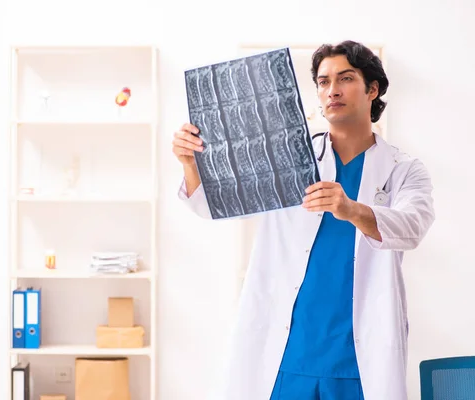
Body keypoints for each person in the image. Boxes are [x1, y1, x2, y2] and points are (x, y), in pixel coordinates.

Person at [173, 40, 435, 400]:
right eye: (323, 82)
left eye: (345, 79)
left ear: (372, 89)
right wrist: (191, 163)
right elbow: (211, 205)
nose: (332, 90)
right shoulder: (289, 157)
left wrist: (352, 209)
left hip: (358, 358)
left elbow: (413, 226)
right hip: (287, 353)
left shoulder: (404, 170)